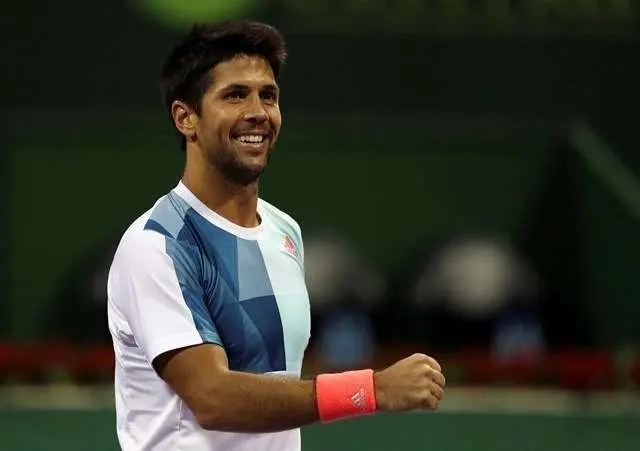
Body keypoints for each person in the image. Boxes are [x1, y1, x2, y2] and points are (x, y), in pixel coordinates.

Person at [107, 19, 446, 451]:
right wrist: (372, 389)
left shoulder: (285, 232)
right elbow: (213, 398)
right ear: (185, 117)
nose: (258, 112)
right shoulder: (156, 244)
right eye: (234, 95)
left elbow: (274, 379)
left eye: (268, 95)